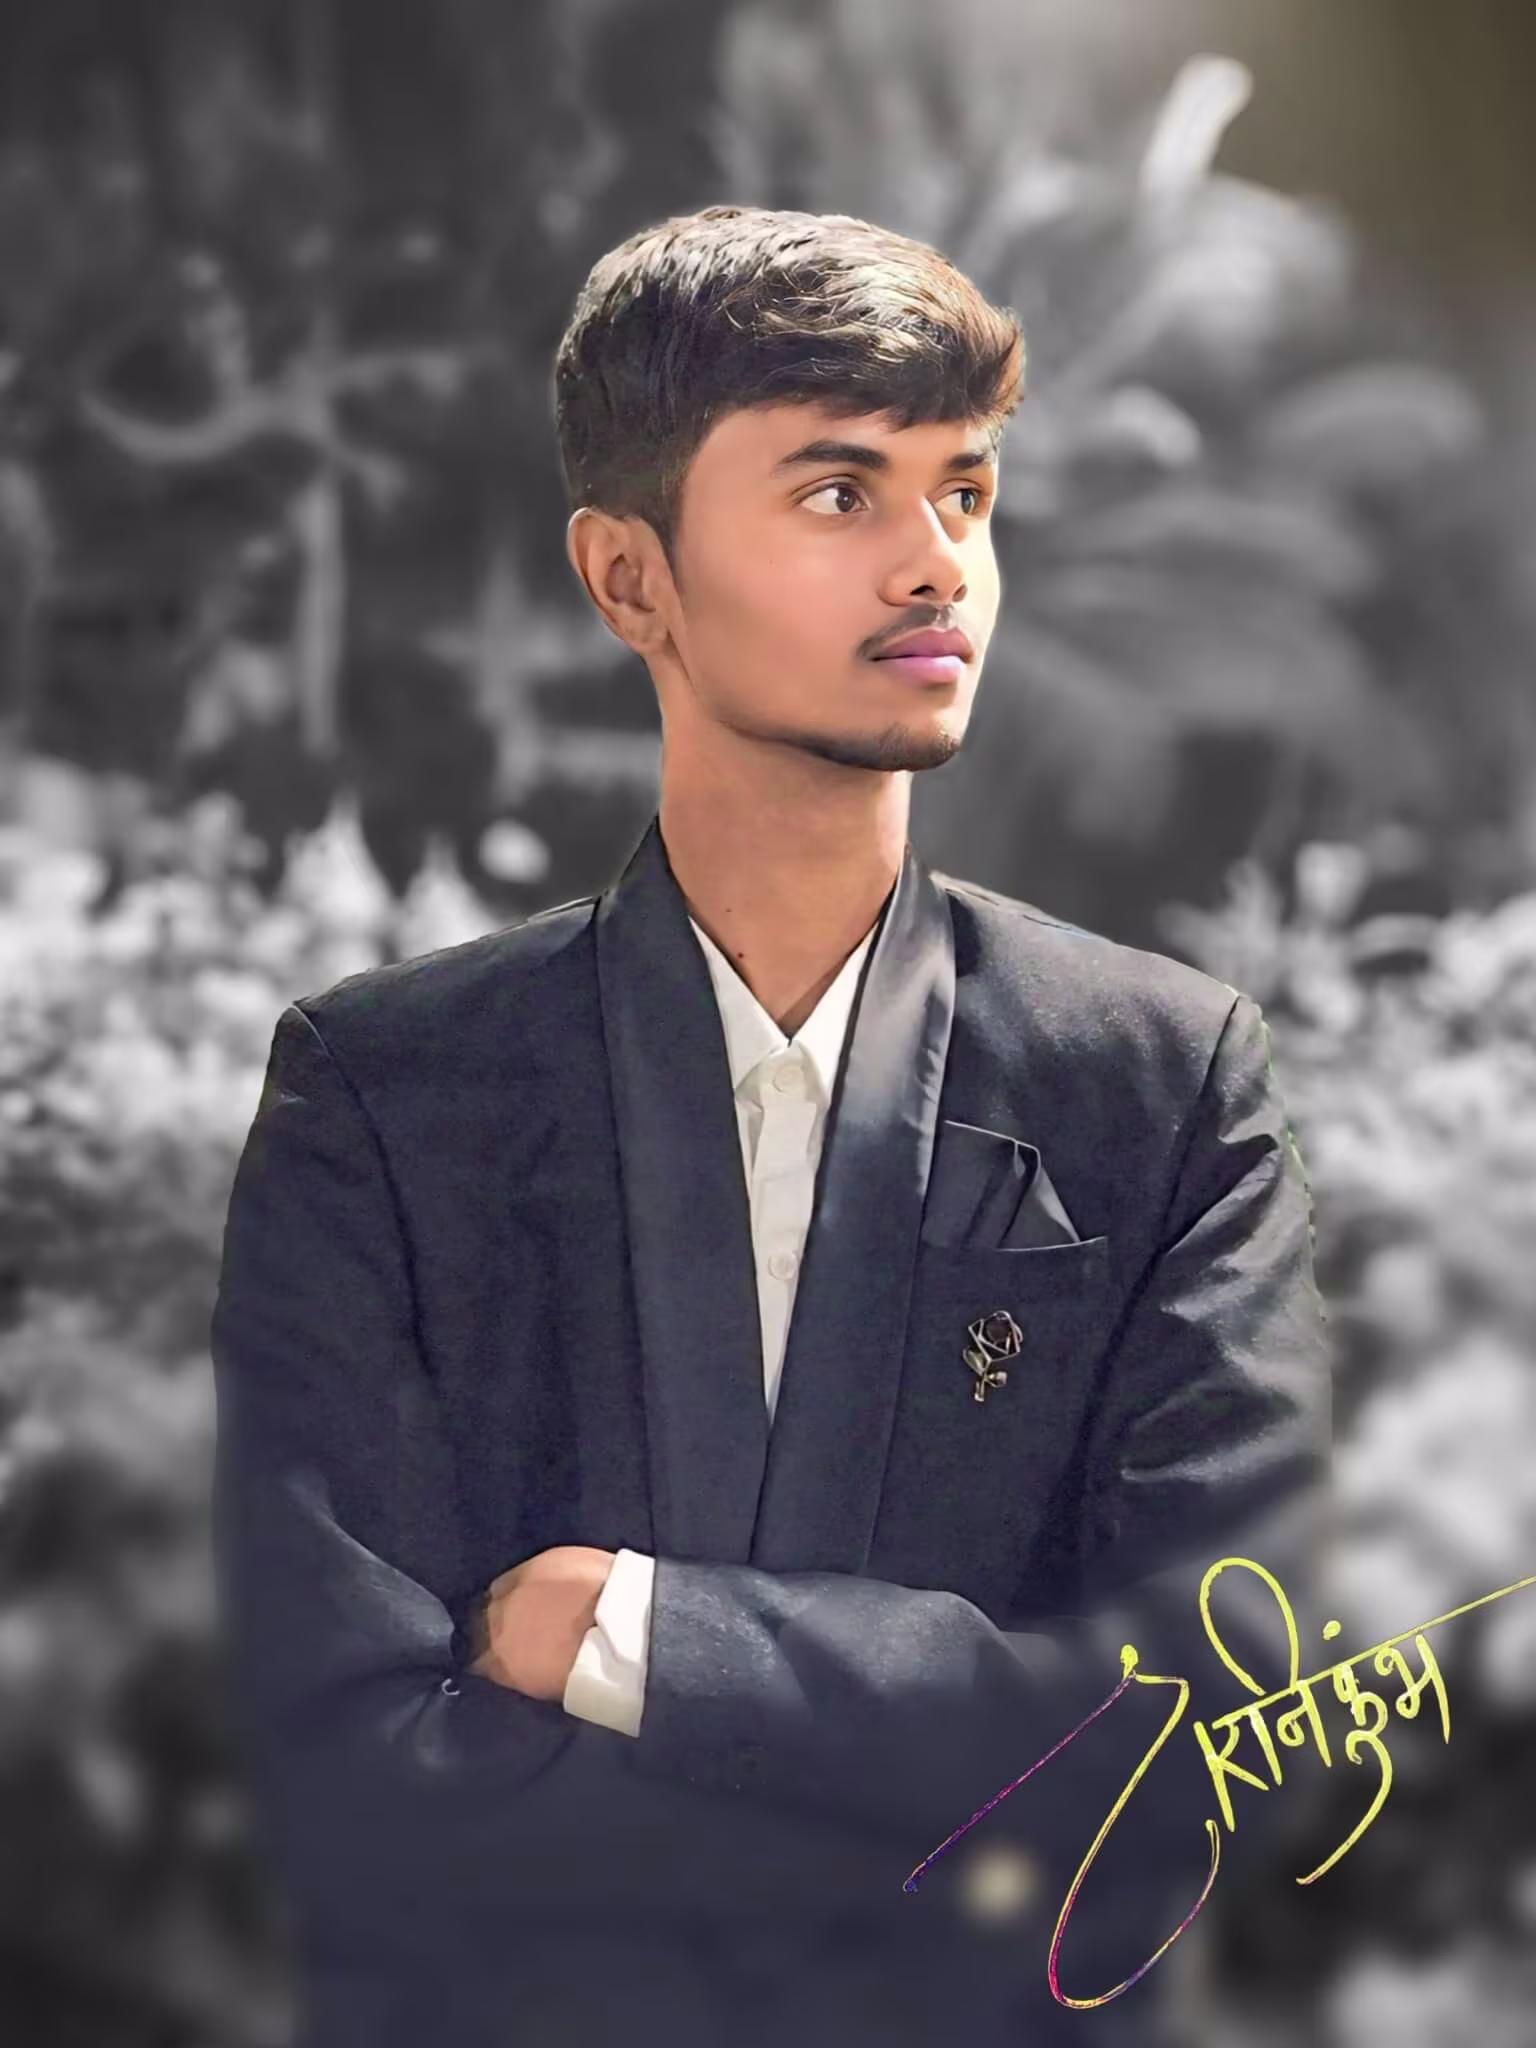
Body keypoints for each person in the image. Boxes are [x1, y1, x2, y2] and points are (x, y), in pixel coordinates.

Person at [210, 205, 1333, 2047]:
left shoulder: (1158, 1080)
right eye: (837, 492)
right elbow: (343, 1781)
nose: (935, 560)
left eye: (962, 492)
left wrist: (651, 1643)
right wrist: (949, 1795)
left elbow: (1225, 1728)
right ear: (628, 578)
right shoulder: (390, 1096)